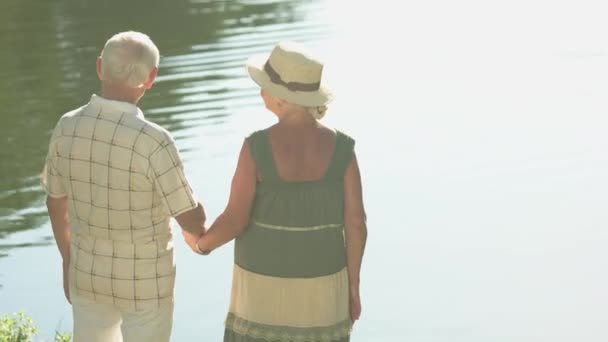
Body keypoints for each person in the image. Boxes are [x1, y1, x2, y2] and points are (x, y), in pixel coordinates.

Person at [184, 41, 368, 342]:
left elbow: (235, 220)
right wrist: (353, 285)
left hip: (261, 290)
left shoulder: (256, 147)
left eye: (265, 86)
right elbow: (357, 223)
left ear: (282, 98)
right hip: (325, 289)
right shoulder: (343, 149)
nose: (260, 91)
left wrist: (201, 244)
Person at [42, 31, 206, 342]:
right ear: (151, 78)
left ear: (100, 67)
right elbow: (191, 221)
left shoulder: (67, 126)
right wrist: (202, 219)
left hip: (88, 274)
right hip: (146, 282)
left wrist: (68, 259)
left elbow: (55, 202)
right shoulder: (154, 141)